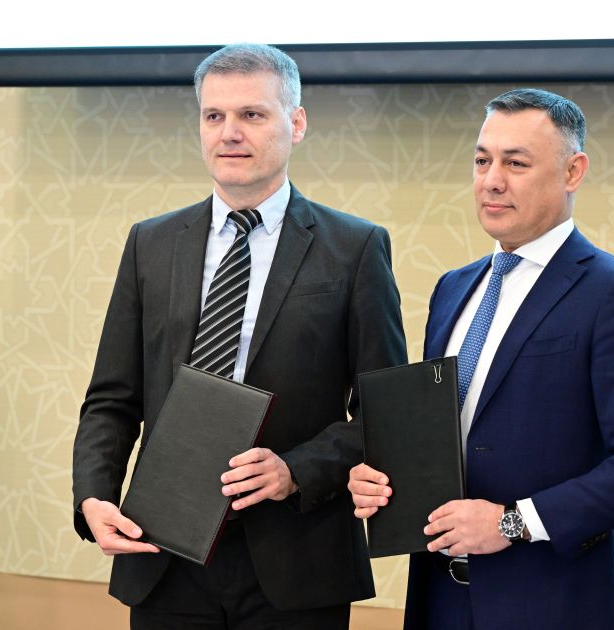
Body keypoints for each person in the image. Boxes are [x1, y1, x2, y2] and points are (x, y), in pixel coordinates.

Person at [72, 43, 407, 629]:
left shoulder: (355, 248)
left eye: (252, 114)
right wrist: (93, 496)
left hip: (297, 560)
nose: (229, 132)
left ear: (296, 123)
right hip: (162, 554)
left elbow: (385, 411)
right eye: (214, 115)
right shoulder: (151, 243)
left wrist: (295, 469)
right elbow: (111, 399)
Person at [348, 88, 614, 630]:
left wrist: (512, 523)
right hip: (437, 597)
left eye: (516, 163)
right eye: (482, 161)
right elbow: (450, 435)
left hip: (548, 602)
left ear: (573, 171)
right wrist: (383, 479)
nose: (492, 180)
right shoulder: (453, 288)